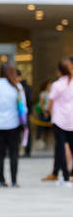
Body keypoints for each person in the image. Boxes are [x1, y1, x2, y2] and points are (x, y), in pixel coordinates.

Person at [0, 62, 27, 188]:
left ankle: (1, 181)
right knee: (14, 153)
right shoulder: (17, 87)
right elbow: (23, 107)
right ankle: (14, 181)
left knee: (0, 153)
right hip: (14, 124)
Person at [48, 58, 73, 187]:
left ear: (59, 71)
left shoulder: (57, 85)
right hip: (71, 120)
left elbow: (50, 103)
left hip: (59, 121)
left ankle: (65, 177)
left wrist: (52, 115)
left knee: (61, 149)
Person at [17, 70, 33, 157]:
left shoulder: (23, 87)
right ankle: (25, 151)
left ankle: (27, 151)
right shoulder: (23, 86)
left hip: (24, 113)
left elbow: (29, 101)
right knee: (25, 131)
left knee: (26, 131)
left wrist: (29, 113)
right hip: (24, 113)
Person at [35, 80, 51, 150]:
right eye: (48, 85)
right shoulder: (43, 93)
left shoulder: (51, 93)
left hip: (49, 111)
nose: (50, 86)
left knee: (48, 127)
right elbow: (41, 104)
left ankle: (46, 141)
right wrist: (44, 112)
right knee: (41, 126)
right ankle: (38, 140)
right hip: (44, 112)